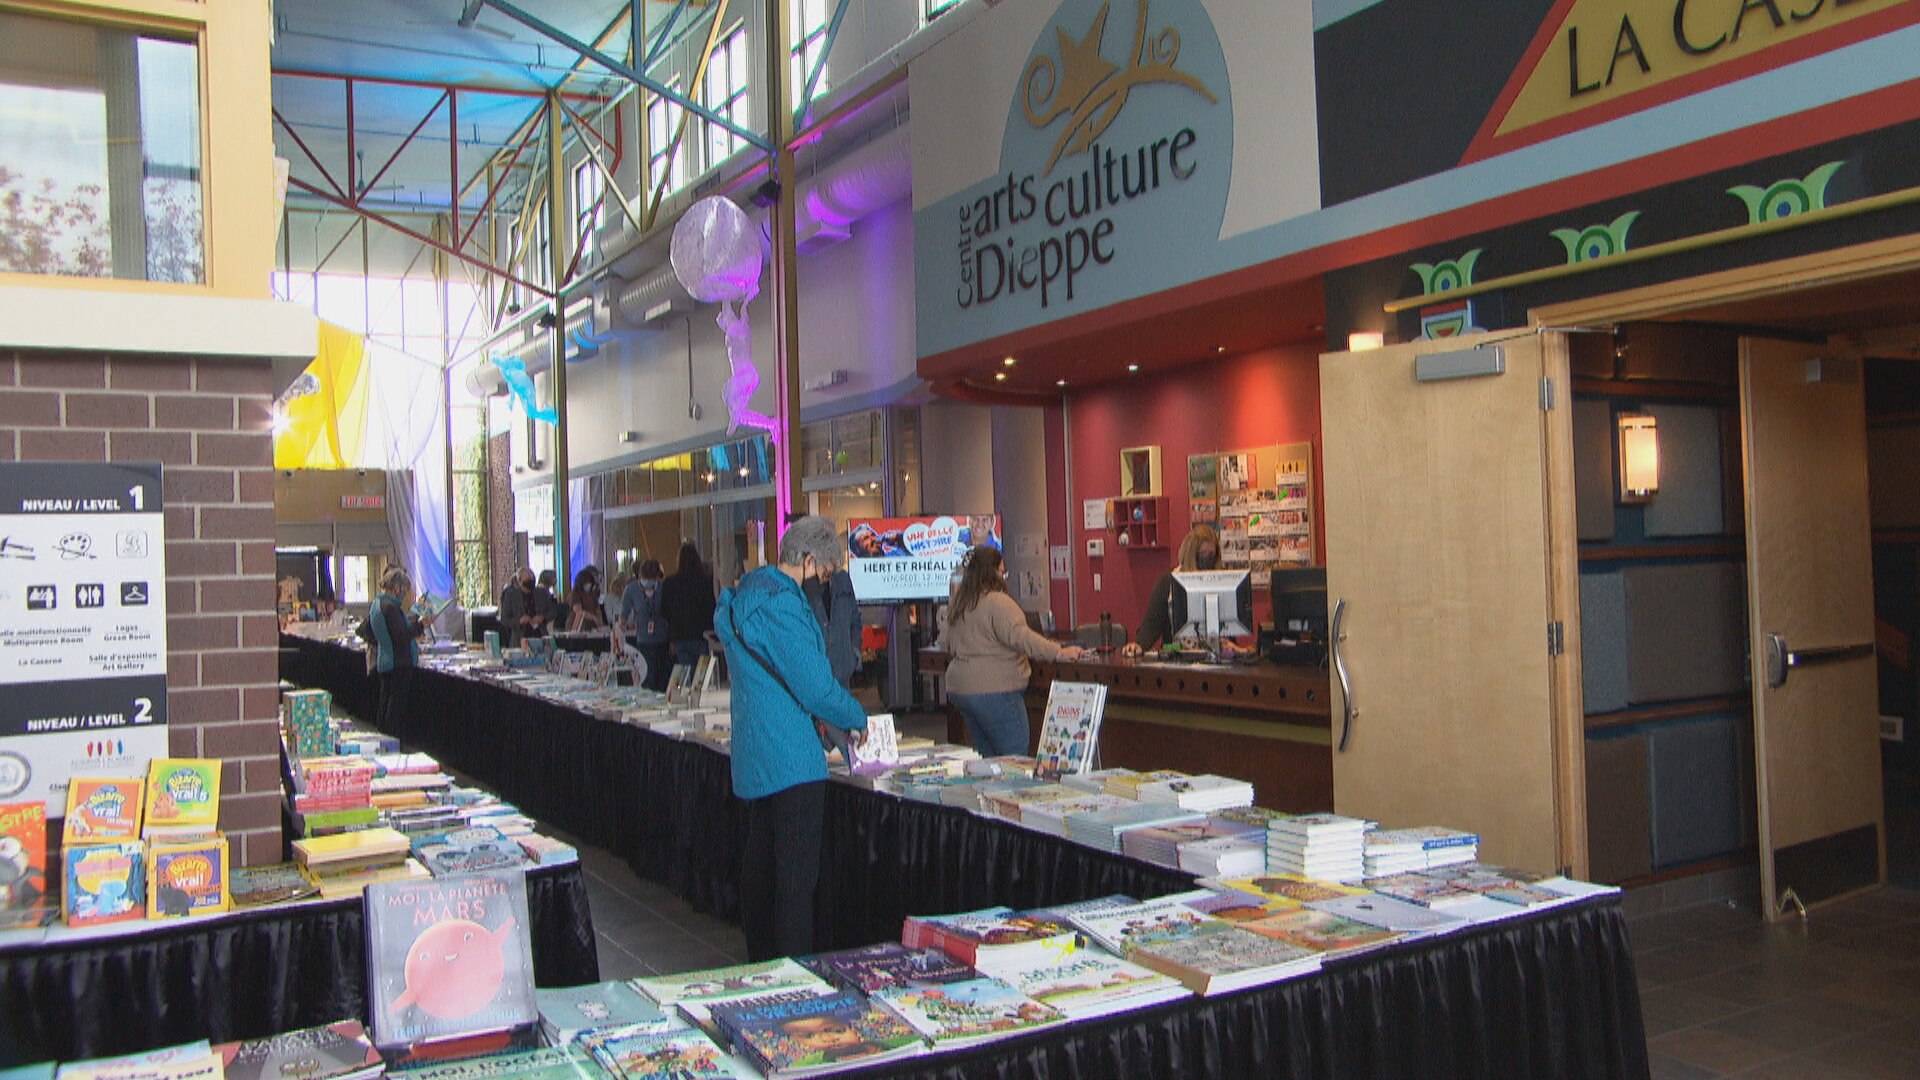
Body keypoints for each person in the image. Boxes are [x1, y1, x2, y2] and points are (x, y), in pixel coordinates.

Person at [714, 516, 869, 961]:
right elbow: (815, 685)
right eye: (822, 572)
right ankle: (793, 970)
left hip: (756, 751)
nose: (821, 582)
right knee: (796, 882)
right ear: (805, 561)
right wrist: (856, 716)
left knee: (761, 868)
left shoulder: (746, 600)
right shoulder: (783, 608)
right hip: (792, 758)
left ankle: (763, 962)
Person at [943, 545, 1089, 757]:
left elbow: (946, 642)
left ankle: (991, 790)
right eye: (1002, 572)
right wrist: (1058, 651)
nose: (1004, 577)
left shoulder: (959, 603)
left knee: (989, 756)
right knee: (1014, 758)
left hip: (961, 690)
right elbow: (1021, 637)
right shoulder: (998, 602)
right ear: (992, 572)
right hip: (995, 689)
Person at [1124, 525, 1244, 657]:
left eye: (1211, 555)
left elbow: (1229, 627)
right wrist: (1139, 645)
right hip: (1176, 653)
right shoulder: (1168, 583)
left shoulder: (1221, 583)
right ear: (1192, 554)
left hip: (1217, 656)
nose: (1207, 560)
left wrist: (1234, 649)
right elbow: (1152, 623)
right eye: (1202, 555)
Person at [356, 566, 427, 732]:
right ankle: (393, 743)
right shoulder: (391, 608)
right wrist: (421, 625)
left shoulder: (377, 604)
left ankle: (384, 739)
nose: (405, 593)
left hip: (385, 661)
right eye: (404, 588)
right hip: (398, 663)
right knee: (395, 710)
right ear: (396, 587)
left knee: (385, 704)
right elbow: (401, 637)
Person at [662, 541, 717, 669]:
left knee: (686, 673)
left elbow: (664, 611)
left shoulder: (670, 583)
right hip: (701, 635)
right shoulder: (706, 581)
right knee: (702, 674)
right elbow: (711, 606)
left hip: (680, 635)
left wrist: (672, 634)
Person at [804, 565, 861, 688]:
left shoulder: (842, 579)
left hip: (842, 677)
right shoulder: (802, 586)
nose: (828, 568)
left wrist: (854, 653)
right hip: (813, 680)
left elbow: (855, 620)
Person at [622, 559, 672, 691]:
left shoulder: (664, 588)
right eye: (645, 578)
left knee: (663, 677)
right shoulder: (631, 589)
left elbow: (671, 613)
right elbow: (624, 613)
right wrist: (620, 628)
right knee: (647, 676)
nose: (648, 582)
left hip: (663, 638)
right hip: (643, 640)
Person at [499, 567, 545, 646]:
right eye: (527, 579)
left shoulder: (541, 592)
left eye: (532, 579)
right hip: (519, 639)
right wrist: (519, 621)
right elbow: (504, 619)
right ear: (520, 581)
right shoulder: (511, 595)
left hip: (540, 636)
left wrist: (543, 617)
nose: (530, 582)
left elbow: (552, 611)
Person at [568, 568, 606, 632]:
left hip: (592, 626)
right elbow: (578, 610)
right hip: (578, 625)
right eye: (587, 582)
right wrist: (593, 617)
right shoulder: (575, 593)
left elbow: (597, 609)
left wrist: (600, 622)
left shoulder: (592, 593)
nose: (589, 584)